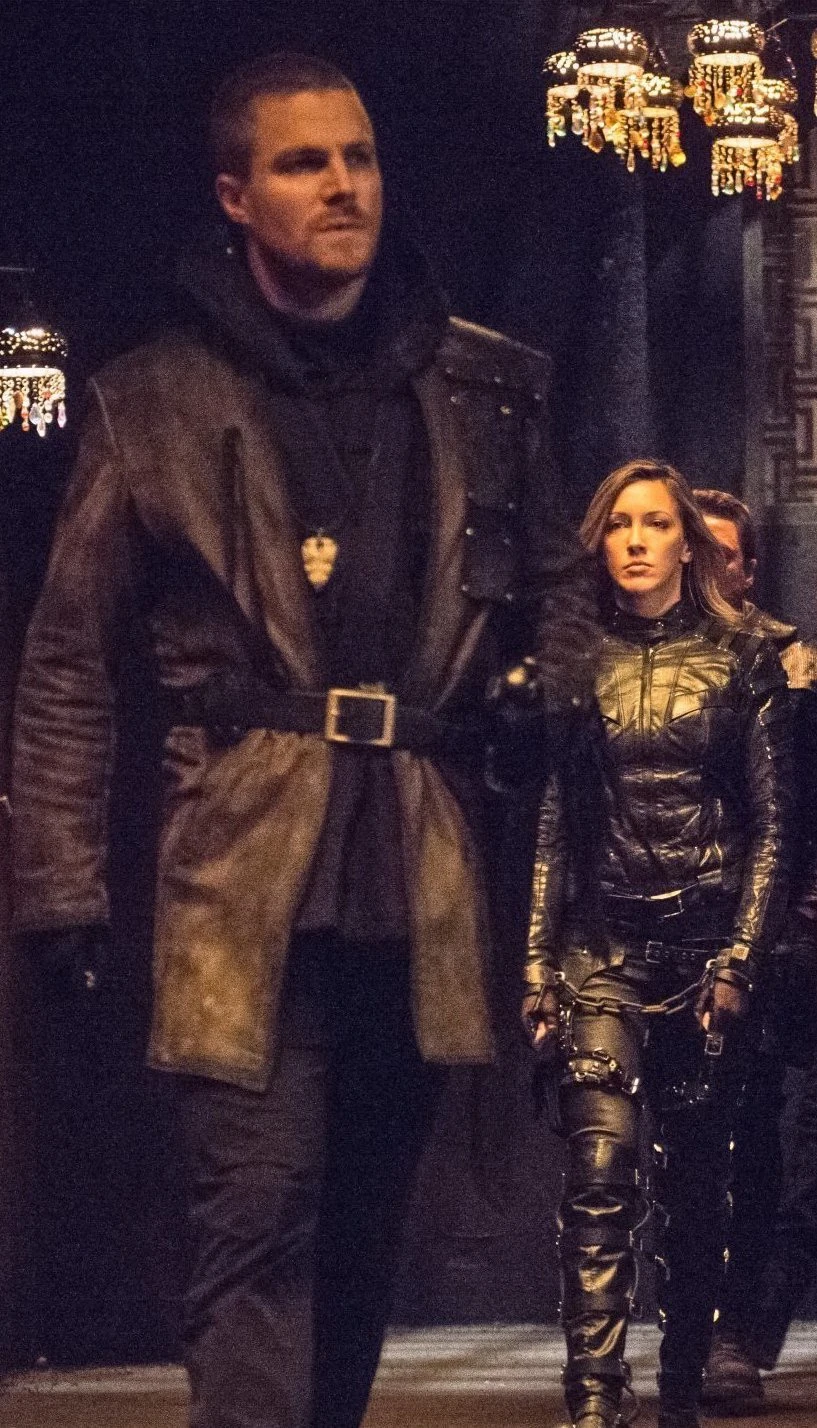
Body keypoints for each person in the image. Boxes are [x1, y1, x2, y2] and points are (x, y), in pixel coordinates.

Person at [10, 52, 599, 1428]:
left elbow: (563, 591)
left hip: (419, 869)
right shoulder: (155, 401)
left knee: (360, 1233)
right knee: (255, 1215)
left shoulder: (484, 387)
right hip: (242, 870)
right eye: (303, 162)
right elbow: (67, 659)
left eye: (359, 156)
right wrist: (56, 885)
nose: (343, 186)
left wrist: (545, 698)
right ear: (236, 195)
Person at [523, 460, 793, 1428]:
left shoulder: (743, 660)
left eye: (652, 523)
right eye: (617, 525)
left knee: (694, 1190)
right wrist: (535, 962)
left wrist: (740, 958)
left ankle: (677, 1392)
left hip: (704, 950)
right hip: (600, 948)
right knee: (597, 1174)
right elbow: (555, 823)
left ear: (686, 541)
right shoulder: (577, 662)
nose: (633, 540)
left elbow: (772, 825)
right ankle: (594, 1400)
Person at [692, 489, 817, 1408]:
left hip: (791, 933)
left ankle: (745, 1328)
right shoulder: (647, 659)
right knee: (724, 1145)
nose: (710, 571)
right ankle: (723, 1332)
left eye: (724, 555)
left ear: (748, 567)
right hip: (701, 925)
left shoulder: (792, 662)